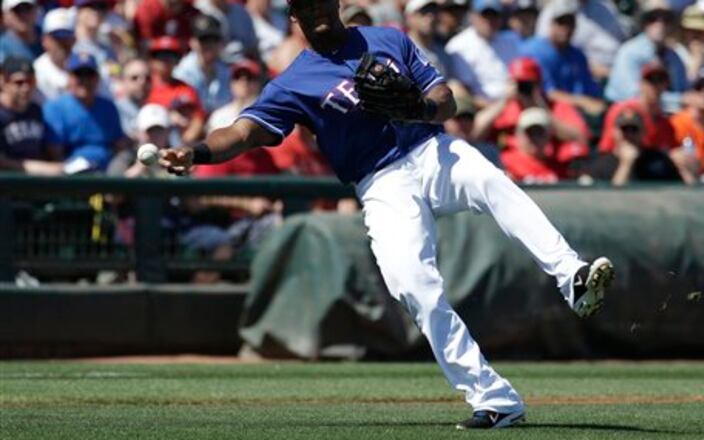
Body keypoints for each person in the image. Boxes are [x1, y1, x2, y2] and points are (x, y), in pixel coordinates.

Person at [159, 0, 614, 429]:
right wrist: (195, 152)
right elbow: (243, 132)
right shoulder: (293, 81)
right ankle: (494, 399)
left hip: (429, 148)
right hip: (380, 182)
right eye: (305, 4)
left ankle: (571, 275)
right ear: (293, 16)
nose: (316, 9)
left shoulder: (387, 39)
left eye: (321, 0)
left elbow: (446, 100)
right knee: (413, 283)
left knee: (491, 180)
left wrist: (419, 106)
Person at [43, 52, 128, 174]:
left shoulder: (108, 107)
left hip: (107, 173)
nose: (85, 80)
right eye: (79, 75)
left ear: (97, 78)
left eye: (89, 75)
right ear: (69, 78)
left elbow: (118, 144)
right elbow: (55, 153)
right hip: (72, 175)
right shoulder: (55, 108)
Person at [520, 0, 605, 116]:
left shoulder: (577, 54)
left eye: (569, 23)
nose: (565, 28)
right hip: (546, 111)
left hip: (579, 111)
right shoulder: (535, 50)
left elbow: (589, 89)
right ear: (551, 24)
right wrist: (583, 102)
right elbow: (549, 93)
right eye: (561, 23)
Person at [605, 0, 688, 112]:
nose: (660, 24)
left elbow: (682, 90)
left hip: (664, 114)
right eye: (653, 18)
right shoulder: (630, 52)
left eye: (666, 19)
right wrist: (680, 100)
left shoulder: (674, 57)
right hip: (627, 114)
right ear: (644, 22)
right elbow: (634, 96)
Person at [579, 108, 682, 185]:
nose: (629, 135)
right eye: (624, 129)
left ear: (643, 132)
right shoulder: (598, 166)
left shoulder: (658, 161)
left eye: (634, 129)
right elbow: (610, 203)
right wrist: (626, 164)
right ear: (614, 132)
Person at [445, 0, 521, 104]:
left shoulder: (511, 41)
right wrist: (495, 107)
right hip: (476, 109)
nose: (489, 21)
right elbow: (462, 91)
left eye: (494, 15)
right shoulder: (458, 46)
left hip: (511, 104)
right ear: (472, 16)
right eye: (484, 15)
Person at [535, 0, 629, 81]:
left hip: (616, 70)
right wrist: (593, 68)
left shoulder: (605, 6)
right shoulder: (556, 9)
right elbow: (547, 50)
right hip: (582, 74)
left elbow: (623, 40)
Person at [599, 62, 677, 156]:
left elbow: (672, 152)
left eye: (660, 80)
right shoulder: (622, 111)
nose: (656, 86)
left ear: (666, 85)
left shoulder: (666, 123)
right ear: (641, 83)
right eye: (651, 80)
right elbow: (605, 150)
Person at [0, 58, 63, 175]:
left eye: (30, 82)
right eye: (19, 82)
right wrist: (41, 168)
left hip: (35, 184)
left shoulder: (36, 110)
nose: (26, 88)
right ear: (3, 81)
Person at [146, 36, 206, 144]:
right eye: (160, 56)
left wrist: (183, 144)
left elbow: (198, 119)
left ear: (177, 60)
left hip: (179, 144)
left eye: (171, 56)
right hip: (148, 143)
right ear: (152, 60)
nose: (165, 60)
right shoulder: (144, 85)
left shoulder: (186, 89)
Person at [173, 15, 233, 114]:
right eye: (203, 40)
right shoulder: (181, 74)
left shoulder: (227, 72)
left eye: (213, 40)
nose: (209, 45)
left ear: (221, 43)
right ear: (192, 42)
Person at [499, 107, 562, 184]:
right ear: (518, 134)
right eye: (530, 133)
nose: (535, 138)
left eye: (539, 133)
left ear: (548, 135)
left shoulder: (557, 166)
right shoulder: (505, 162)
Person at [34, 8, 77, 101]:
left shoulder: (84, 66)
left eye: (66, 37)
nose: (62, 43)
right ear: (44, 40)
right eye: (56, 38)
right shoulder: (37, 71)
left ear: (74, 39)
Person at [404, 0, 453, 78]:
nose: (430, 17)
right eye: (424, 12)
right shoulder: (403, 50)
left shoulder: (442, 51)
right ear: (409, 17)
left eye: (434, 12)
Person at [115, 58, 154, 138]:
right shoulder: (112, 111)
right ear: (122, 81)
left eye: (147, 78)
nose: (142, 82)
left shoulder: (156, 111)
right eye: (134, 78)